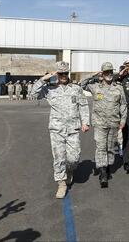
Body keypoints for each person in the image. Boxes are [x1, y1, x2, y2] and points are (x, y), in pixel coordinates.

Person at [31, 61, 90, 198]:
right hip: (56, 128)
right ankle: (61, 184)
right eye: (61, 73)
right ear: (57, 74)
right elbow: (33, 94)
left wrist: (85, 122)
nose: (63, 75)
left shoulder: (76, 88)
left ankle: (69, 171)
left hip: (73, 128)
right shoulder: (50, 89)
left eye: (66, 73)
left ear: (68, 73)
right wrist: (42, 79)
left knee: (74, 158)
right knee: (59, 158)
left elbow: (83, 105)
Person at [82, 62, 127, 187]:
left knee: (110, 148)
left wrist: (123, 120)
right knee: (101, 147)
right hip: (100, 123)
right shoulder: (95, 87)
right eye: (106, 72)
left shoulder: (119, 88)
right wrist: (94, 74)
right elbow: (82, 84)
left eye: (111, 72)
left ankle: (107, 167)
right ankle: (103, 173)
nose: (109, 74)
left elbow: (123, 104)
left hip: (114, 122)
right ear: (102, 73)